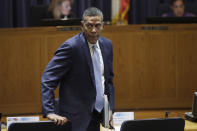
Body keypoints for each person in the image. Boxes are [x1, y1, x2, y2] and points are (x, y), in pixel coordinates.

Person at [41, 7, 114, 131]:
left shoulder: (107, 45)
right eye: (89, 25)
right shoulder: (71, 47)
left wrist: (108, 110)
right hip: (75, 119)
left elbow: (107, 81)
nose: (93, 30)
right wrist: (49, 111)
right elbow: (48, 79)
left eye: (97, 26)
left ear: (102, 26)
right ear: (82, 25)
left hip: (97, 116)